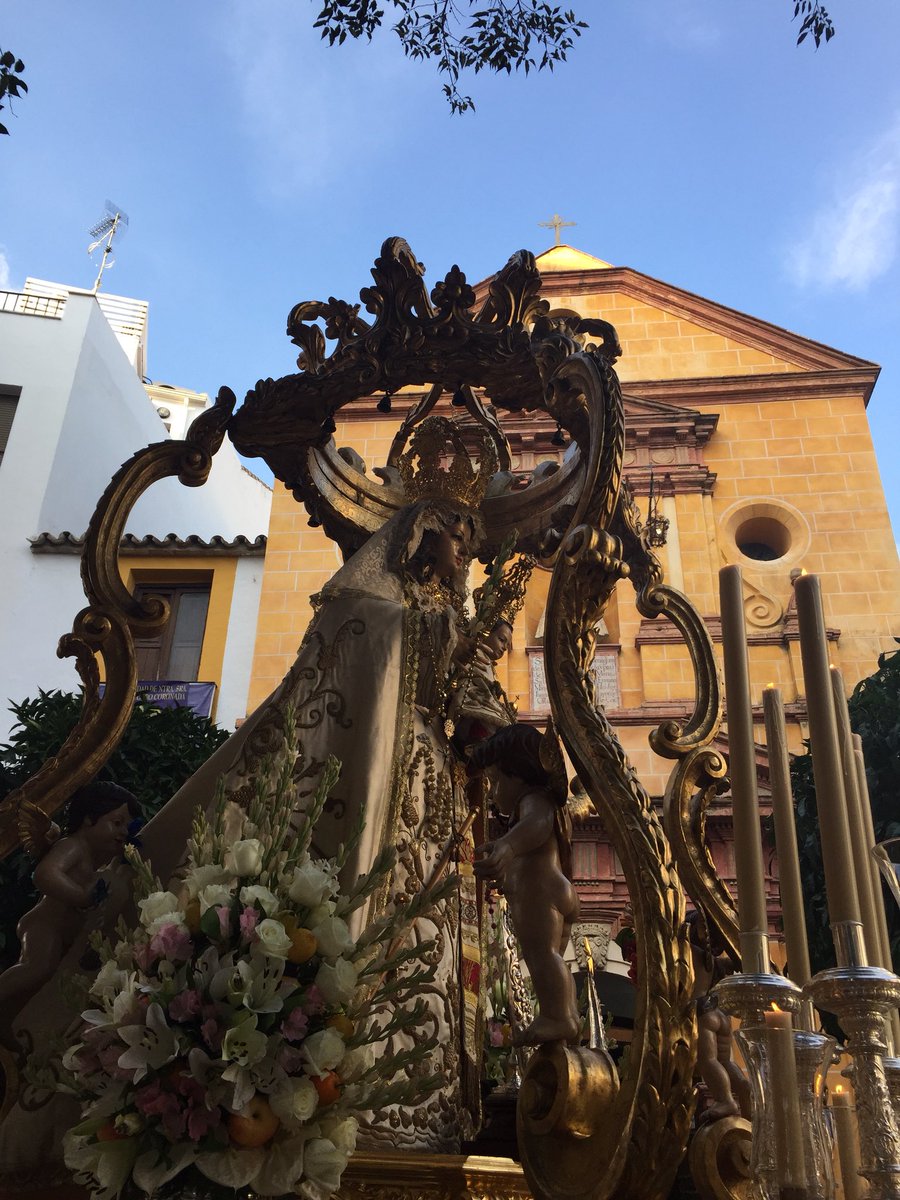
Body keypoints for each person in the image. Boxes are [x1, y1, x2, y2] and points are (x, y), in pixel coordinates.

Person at [0, 782, 139, 1047]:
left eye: (127, 827)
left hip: (65, 934)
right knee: (36, 967)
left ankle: (7, 1019)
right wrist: (83, 897)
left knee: (36, 986)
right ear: (88, 819)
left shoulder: (97, 860)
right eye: (117, 822)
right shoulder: (73, 846)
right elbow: (46, 874)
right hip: (44, 926)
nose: (123, 832)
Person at [469, 723, 580, 1045]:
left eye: (494, 781)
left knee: (541, 954)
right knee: (551, 957)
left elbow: (536, 825)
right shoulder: (542, 801)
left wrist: (507, 846)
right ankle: (567, 1014)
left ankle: (558, 1017)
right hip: (553, 888)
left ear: (516, 774)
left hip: (540, 891)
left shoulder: (534, 801)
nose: (491, 793)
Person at [687, 909, 751, 1124]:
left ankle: (725, 1100)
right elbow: (737, 963)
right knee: (725, 1060)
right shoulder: (716, 963)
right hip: (720, 1013)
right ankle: (744, 1091)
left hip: (702, 1013)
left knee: (708, 1061)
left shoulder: (689, 951)